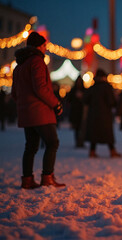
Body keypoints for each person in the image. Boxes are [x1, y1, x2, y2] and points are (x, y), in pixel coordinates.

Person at [11, 31, 65, 189]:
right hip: (40, 112)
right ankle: (47, 177)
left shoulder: (19, 66)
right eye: (44, 45)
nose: (45, 48)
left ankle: (27, 180)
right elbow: (41, 88)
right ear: (38, 46)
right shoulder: (37, 62)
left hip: (26, 114)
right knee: (52, 142)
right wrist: (56, 104)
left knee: (31, 146)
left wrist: (25, 105)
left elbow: (15, 93)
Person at [83, 69, 121, 158]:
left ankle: (92, 151)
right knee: (107, 134)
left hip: (93, 114)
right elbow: (111, 101)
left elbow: (85, 100)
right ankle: (112, 151)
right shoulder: (107, 87)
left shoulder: (92, 87)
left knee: (94, 134)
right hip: (105, 114)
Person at [67, 75, 86, 148]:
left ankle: (81, 142)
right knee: (77, 128)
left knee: (82, 128)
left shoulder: (84, 90)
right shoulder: (73, 90)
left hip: (82, 111)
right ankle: (77, 142)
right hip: (75, 111)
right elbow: (69, 99)